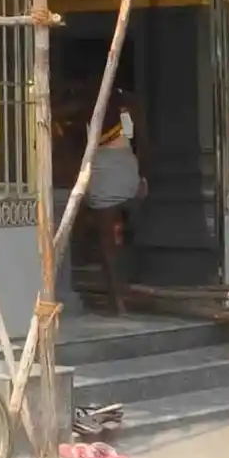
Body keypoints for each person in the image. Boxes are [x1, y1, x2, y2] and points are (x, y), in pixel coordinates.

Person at [84, 88, 145, 316]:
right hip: (122, 174)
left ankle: (119, 299)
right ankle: (121, 298)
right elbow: (144, 143)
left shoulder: (88, 106)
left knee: (108, 244)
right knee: (115, 242)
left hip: (107, 175)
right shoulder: (127, 106)